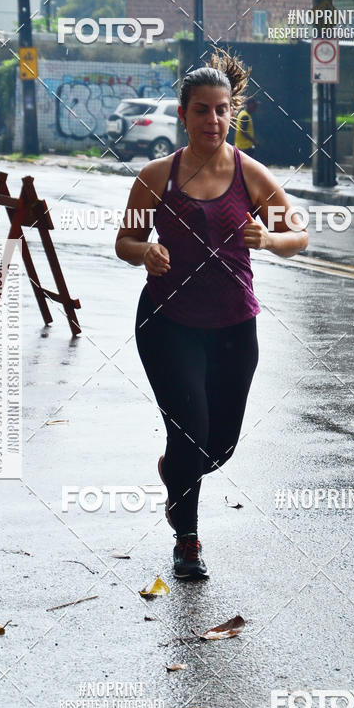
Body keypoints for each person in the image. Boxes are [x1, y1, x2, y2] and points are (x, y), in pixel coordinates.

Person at [115, 48, 308, 580]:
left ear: (233, 112)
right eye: (202, 110)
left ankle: (176, 472)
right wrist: (144, 252)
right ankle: (187, 540)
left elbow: (301, 235)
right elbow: (124, 240)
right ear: (183, 115)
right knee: (189, 431)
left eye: (223, 110)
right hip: (167, 323)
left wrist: (269, 238)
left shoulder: (253, 176)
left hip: (233, 326)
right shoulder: (156, 175)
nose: (214, 120)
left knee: (219, 445)